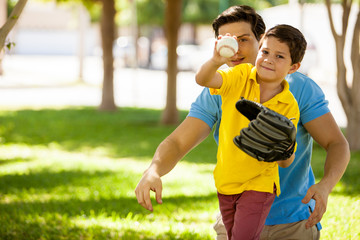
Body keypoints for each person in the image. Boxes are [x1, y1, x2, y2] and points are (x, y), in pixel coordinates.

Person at [135, 5, 350, 240]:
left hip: (292, 223)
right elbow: (178, 142)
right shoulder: (219, 89)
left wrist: (325, 186)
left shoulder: (299, 89)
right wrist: (153, 170)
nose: (235, 49)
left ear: (261, 40)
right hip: (235, 217)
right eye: (226, 41)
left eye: (243, 40)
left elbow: (336, 144)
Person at [194, 23, 306, 239]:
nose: (268, 59)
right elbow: (203, 79)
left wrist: (284, 149)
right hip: (226, 180)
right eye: (265, 51)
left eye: (280, 56)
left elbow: (286, 161)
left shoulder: (289, 104)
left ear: (294, 67)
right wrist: (216, 61)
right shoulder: (240, 75)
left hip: (259, 183)